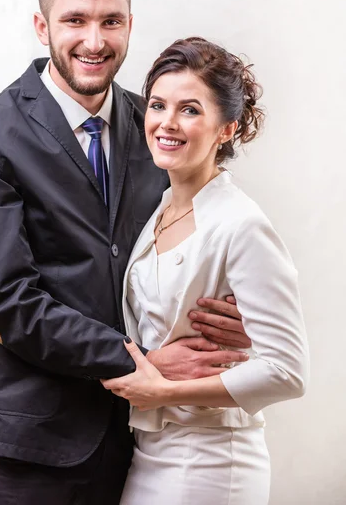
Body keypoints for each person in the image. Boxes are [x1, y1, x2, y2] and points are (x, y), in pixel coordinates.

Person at [0, 0, 251, 505]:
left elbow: (201, 243)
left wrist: (237, 321)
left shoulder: (157, 123)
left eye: (111, 21)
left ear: (130, 24)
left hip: (148, 440)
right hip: (31, 444)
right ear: (42, 26)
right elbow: (7, 301)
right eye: (74, 20)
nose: (94, 41)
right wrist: (137, 359)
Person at [102, 37, 309, 505]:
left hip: (213, 459)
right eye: (157, 105)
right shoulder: (161, 208)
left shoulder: (241, 224)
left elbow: (287, 371)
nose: (167, 123)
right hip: (152, 452)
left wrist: (160, 391)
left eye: (190, 110)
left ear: (226, 128)